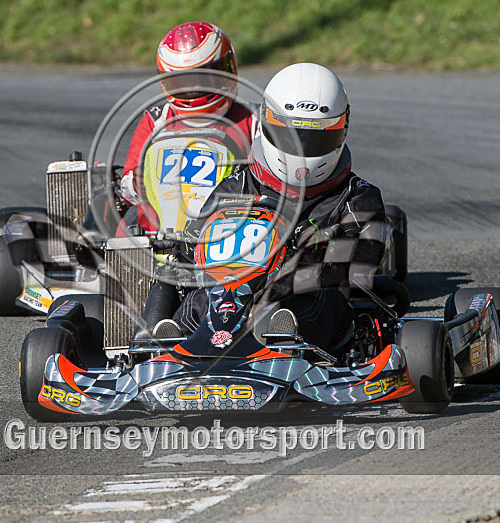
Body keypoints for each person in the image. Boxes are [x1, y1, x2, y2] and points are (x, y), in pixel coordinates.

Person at [157, 63, 387, 351]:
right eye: (289, 137)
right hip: (229, 295)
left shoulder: (355, 196)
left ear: (341, 129)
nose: (301, 150)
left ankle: (283, 341)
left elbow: (365, 255)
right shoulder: (237, 186)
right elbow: (193, 248)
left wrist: (299, 258)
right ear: (267, 124)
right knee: (176, 283)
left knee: (314, 296)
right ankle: (163, 344)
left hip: (304, 301)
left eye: (315, 139)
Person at [117, 21, 257, 232]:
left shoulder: (253, 119)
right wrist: (150, 176)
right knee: (119, 220)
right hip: (156, 237)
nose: (193, 88)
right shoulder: (157, 120)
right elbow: (128, 189)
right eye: (183, 82)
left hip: (229, 231)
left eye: (203, 78)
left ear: (227, 69)